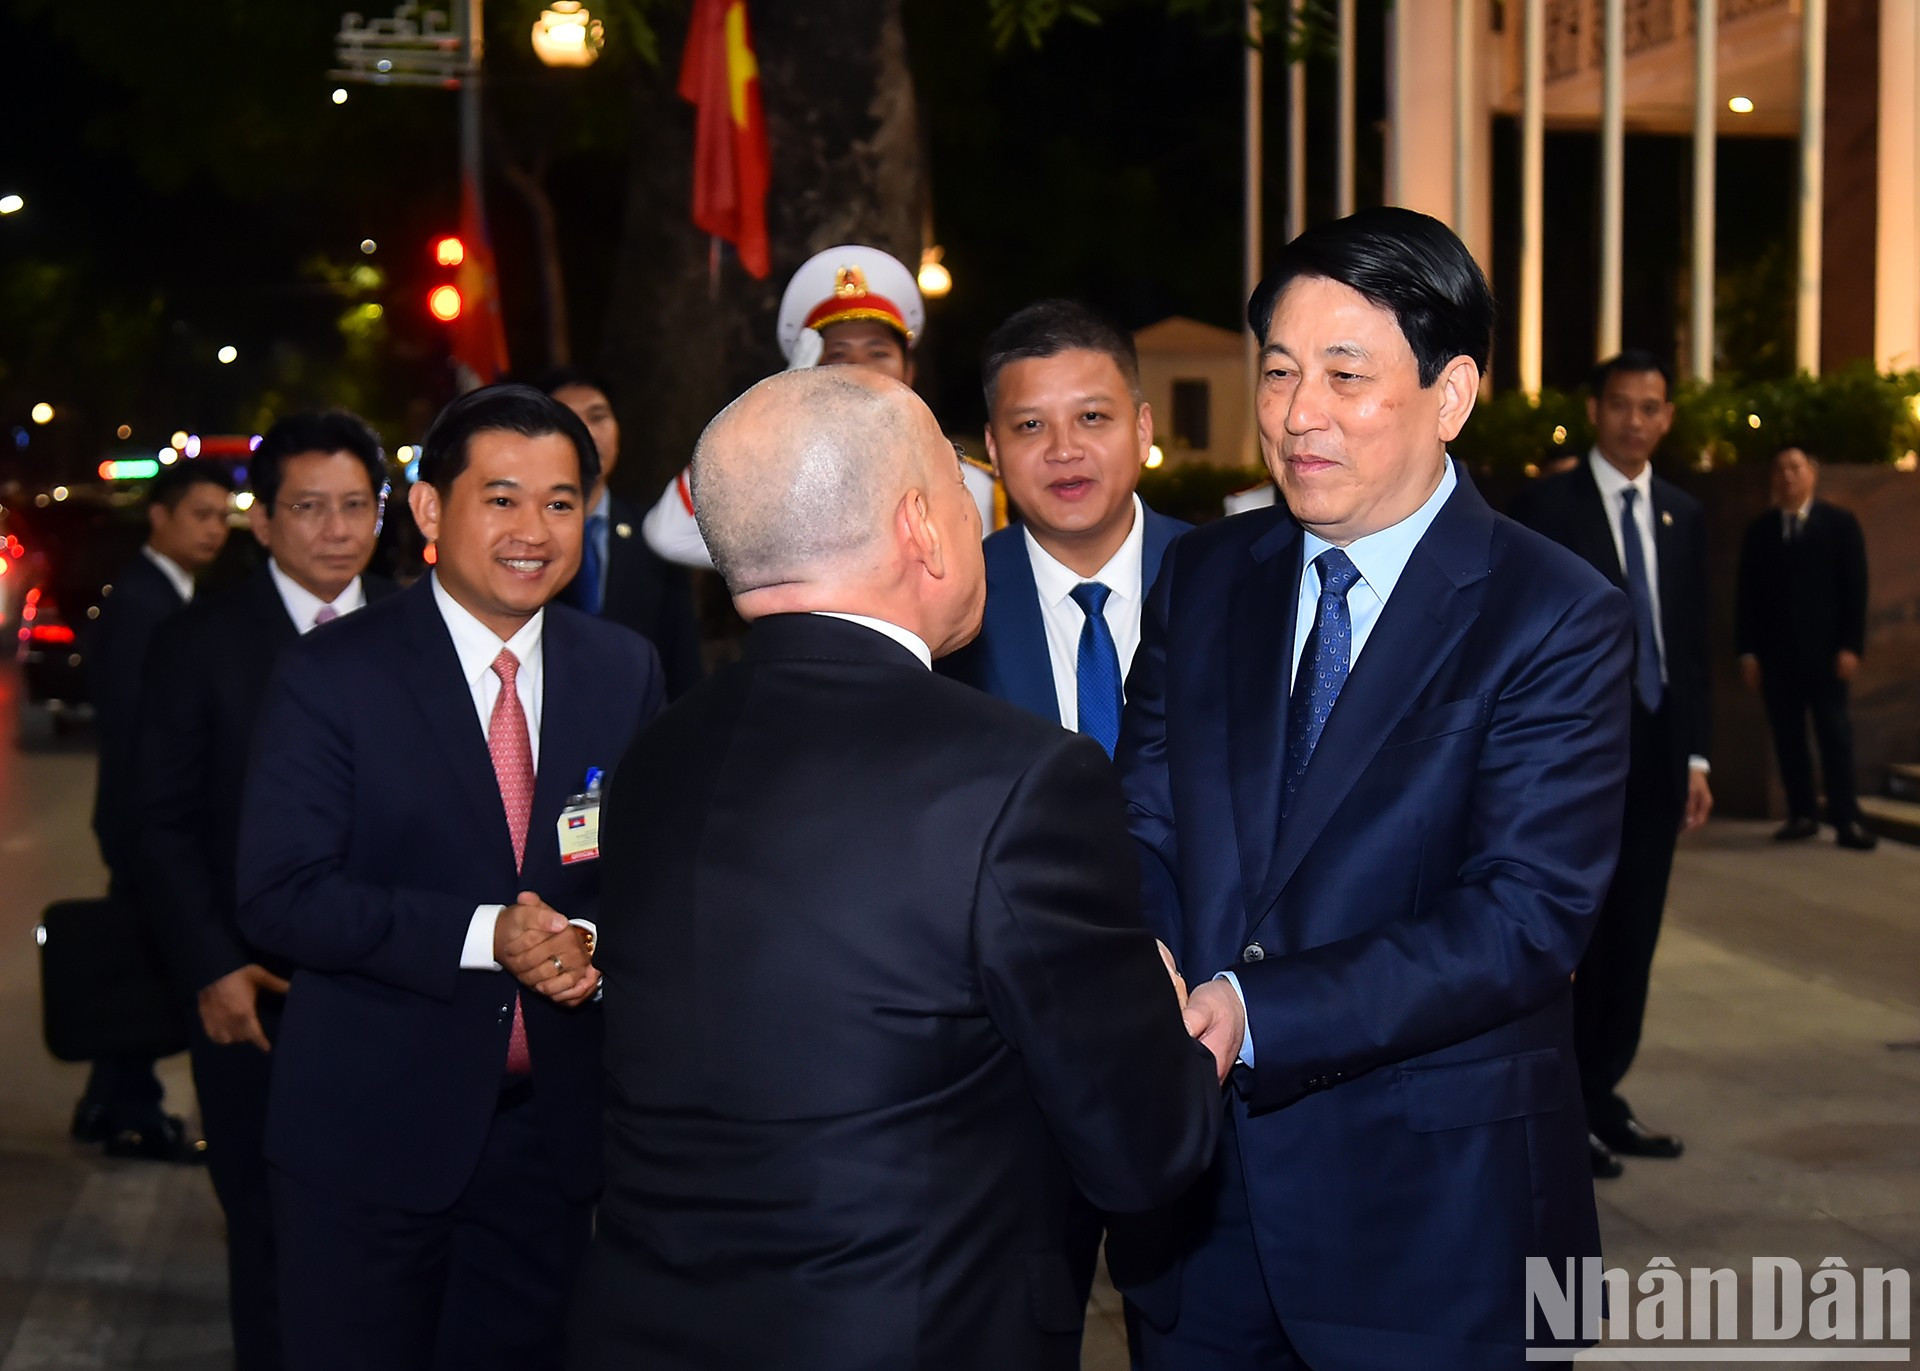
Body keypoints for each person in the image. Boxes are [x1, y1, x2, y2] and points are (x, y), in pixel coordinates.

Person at [569, 366, 1224, 1371]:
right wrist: (1180, 1038)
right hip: (910, 1334)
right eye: (967, 492)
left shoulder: (658, 755)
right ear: (919, 524)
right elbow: (1141, 1152)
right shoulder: (1021, 779)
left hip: (647, 1325)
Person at [1111, 207, 1629, 1369]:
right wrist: (1136, 943)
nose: (1299, 415)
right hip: (1202, 1219)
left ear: (1451, 395)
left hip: (1437, 1223)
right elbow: (1139, 812)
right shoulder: (1203, 575)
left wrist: (1258, 1008)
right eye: (1282, 372)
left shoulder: (1553, 614)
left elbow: (1521, 917)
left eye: (1347, 376)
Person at [234, 385, 665, 1371]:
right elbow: (279, 890)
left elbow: (648, 873)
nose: (533, 530)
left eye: (562, 503)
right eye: (502, 497)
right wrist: (485, 937)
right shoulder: (333, 674)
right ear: (431, 510)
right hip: (367, 1142)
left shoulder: (621, 668)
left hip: (546, 1150)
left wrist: (590, 946)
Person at [138, 411, 398, 1371]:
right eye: (308, 507)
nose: (335, 529)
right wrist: (213, 965)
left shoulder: (423, 627)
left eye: (354, 506)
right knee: (272, 1234)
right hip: (258, 996)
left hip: (399, 986)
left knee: (399, 1236)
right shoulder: (198, 642)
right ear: (264, 521)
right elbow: (156, 822)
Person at [1511, 348, 1714, 1178]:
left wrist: (1698, 753)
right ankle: (1565, 1102)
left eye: (1652, 406)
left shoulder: (1682, 514)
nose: (1637, 419)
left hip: (1661, 762)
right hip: (1575, 765)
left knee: (1634, 939)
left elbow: (1690, 641)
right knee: (1576, 943)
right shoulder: (1543, 506)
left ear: (1668, 416)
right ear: (1595, 410)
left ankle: (1602, 1090)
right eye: (1622, 404)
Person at [640, 243, 999, 568]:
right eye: (837, 355)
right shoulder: (781, 484)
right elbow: (668, 533)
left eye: (878, 353)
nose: (859, 369)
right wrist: (778, 405)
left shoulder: (966, 481)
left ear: (909, 371)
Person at [940, 300, 1188, 758]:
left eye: (1091, 417)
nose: (1064, 449)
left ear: (1142, 430)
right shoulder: (948, 609)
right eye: (1031, 425)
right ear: (994, 448)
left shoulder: (1224, 580)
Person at [76, 459, 234, 1163]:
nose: (213, 529)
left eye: (220, 516)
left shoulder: (161, 594)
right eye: (200, 514)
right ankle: (131, 1110)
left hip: (137, 816)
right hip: (143, 818)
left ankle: (107, 1097)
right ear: (160, 516)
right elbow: (143, 729)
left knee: (137, 959)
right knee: (151, 963)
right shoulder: (146, 603)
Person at [1735, 444, 1875, 850]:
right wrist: (1748, 652)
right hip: (1776, 657)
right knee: (1787, 736)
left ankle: (1847, 818)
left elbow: (1856, 589)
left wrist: (1851, 645)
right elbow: (1747, 597)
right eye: (1779, 469)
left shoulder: (1840, 524)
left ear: (1812, 472)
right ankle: (1801, 814)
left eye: (1795, 468)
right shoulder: (1760, 531)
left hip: (1828, 654)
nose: (1788, 476)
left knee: (1835, 733)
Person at [534, 368, 705, 698]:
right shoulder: (525, 539)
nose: (588, 432)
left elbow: (683, 660)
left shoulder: (656, 533)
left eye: (598, 417)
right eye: (568, 419)